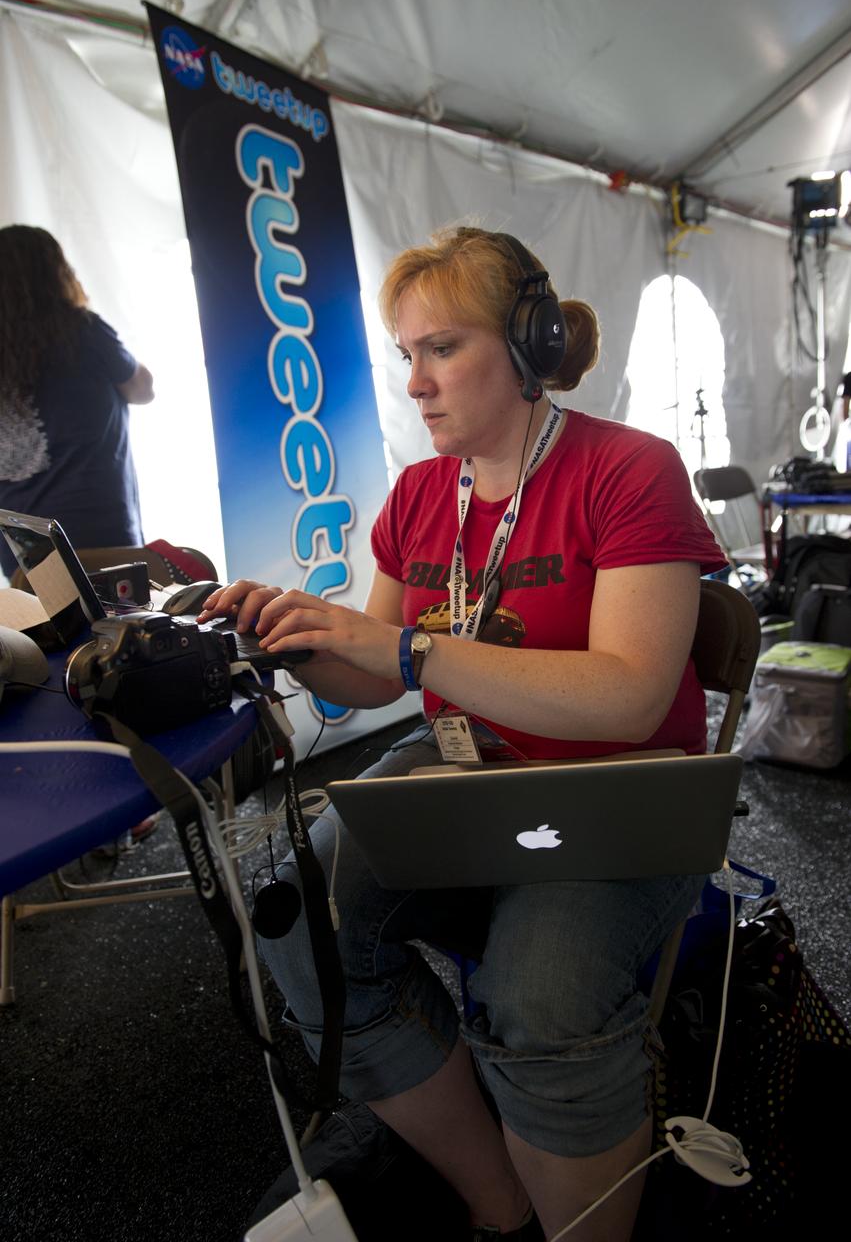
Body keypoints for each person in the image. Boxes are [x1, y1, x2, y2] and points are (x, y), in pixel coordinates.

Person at [199, 226, 727, 1241]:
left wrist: (408, 652)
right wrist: (295, 635)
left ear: (527, 346)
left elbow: (623, 698)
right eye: (405, 354)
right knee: (296, 926)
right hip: (467, 772)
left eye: (440, 348)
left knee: (541, 994)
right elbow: (363, 674)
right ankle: (500, 1199)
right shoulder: (416, 496)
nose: (414, 383)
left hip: (616, 795)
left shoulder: (628, 469)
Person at [0, 225, 153, 581]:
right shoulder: (83, 331)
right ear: (55, 274)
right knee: (116, 631)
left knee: (46, 634)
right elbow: (143, 390)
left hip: (22, 546)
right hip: (102, 536)